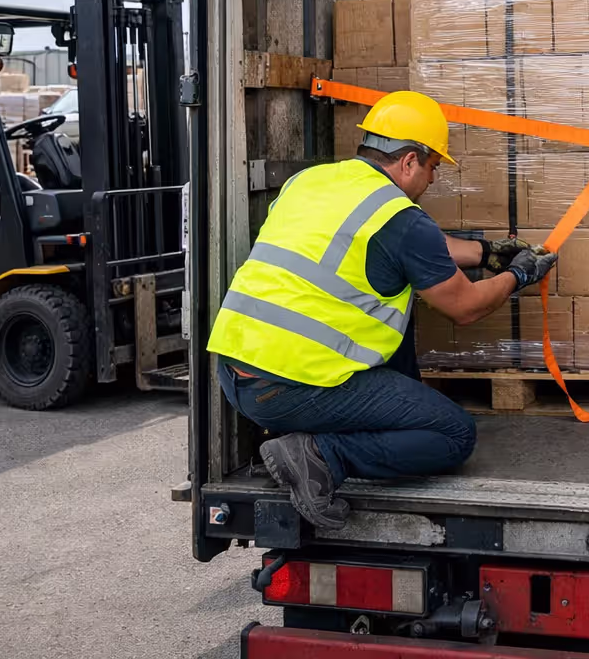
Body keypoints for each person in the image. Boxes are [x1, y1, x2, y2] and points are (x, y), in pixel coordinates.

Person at [208, 90, 558, 531]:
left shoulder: (312, 181)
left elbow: (410, 246)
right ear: (409, 161)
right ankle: (320, 456)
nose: (432, 180)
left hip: (236, 370)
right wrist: (518, 276)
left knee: (396, 301)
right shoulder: (402, 218)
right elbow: (465, 308)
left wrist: (486, 252)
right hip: (294, 386)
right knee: (454, 434)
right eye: (432, 167)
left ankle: (305, 438)